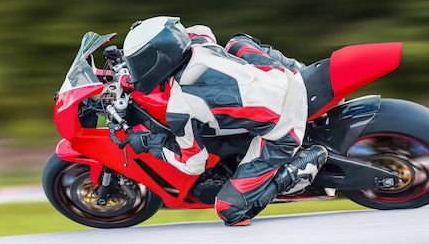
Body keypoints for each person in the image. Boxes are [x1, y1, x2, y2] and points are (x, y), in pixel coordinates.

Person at [122, 16, 327, 226]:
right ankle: (302, 68)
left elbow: (194, 164)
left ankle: (301, 166)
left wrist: (150, 143)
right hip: (284, 76)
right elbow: (201, 29)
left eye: (140, 62)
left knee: (230, 211)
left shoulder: (181, 106)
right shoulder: (198, 43)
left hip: (285, 125)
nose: (137, 67)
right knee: (236, 42)